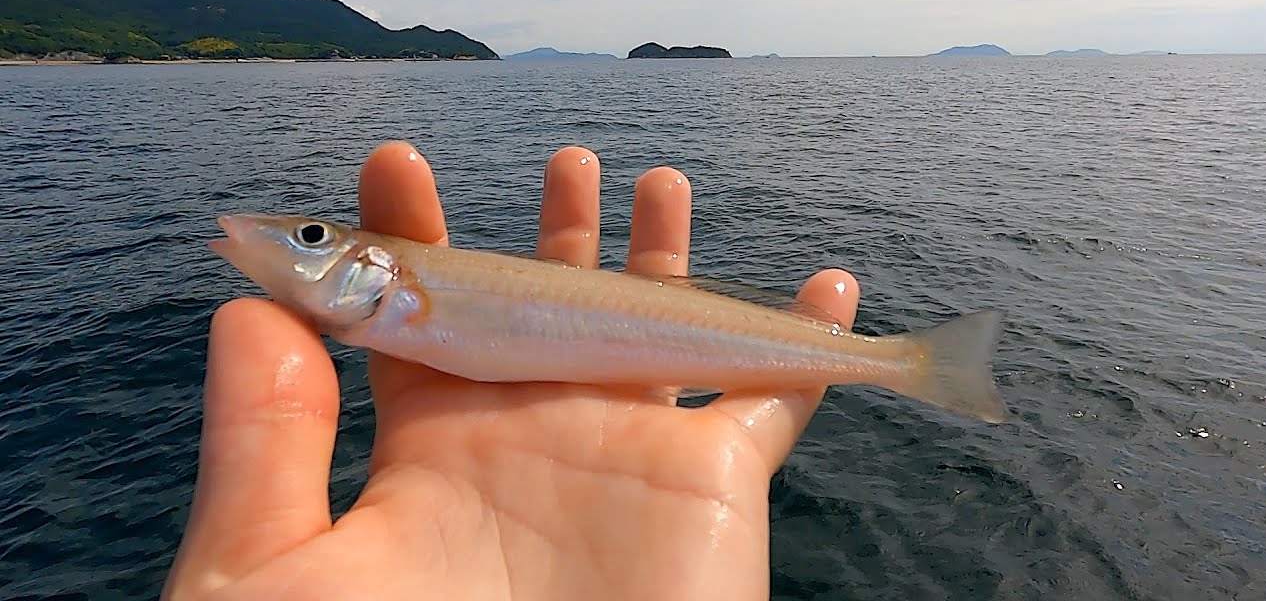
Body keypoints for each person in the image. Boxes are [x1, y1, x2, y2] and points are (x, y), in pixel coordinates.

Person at [163, 141, 860, 600]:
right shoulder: (386, 311)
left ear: (381, 271)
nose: (282, 241)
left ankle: (897, 363)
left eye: (312, 237)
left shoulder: (398, 301)